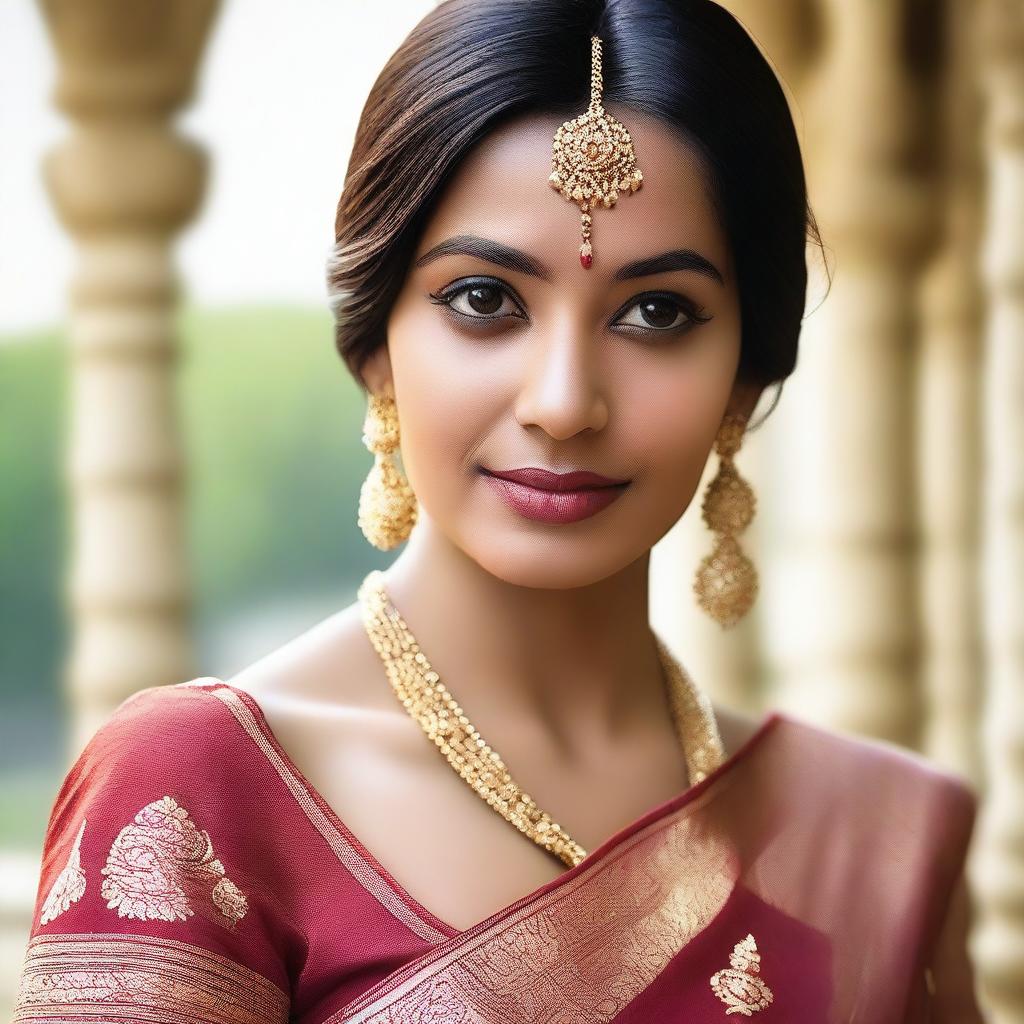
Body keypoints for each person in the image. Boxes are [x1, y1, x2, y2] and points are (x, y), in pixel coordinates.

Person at [13, 1, 986, 1021]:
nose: (563, 401)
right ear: (376, 347)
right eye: (484, 300)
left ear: (741, 382)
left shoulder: (870, 838)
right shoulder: (197, 788)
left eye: (656, 312)